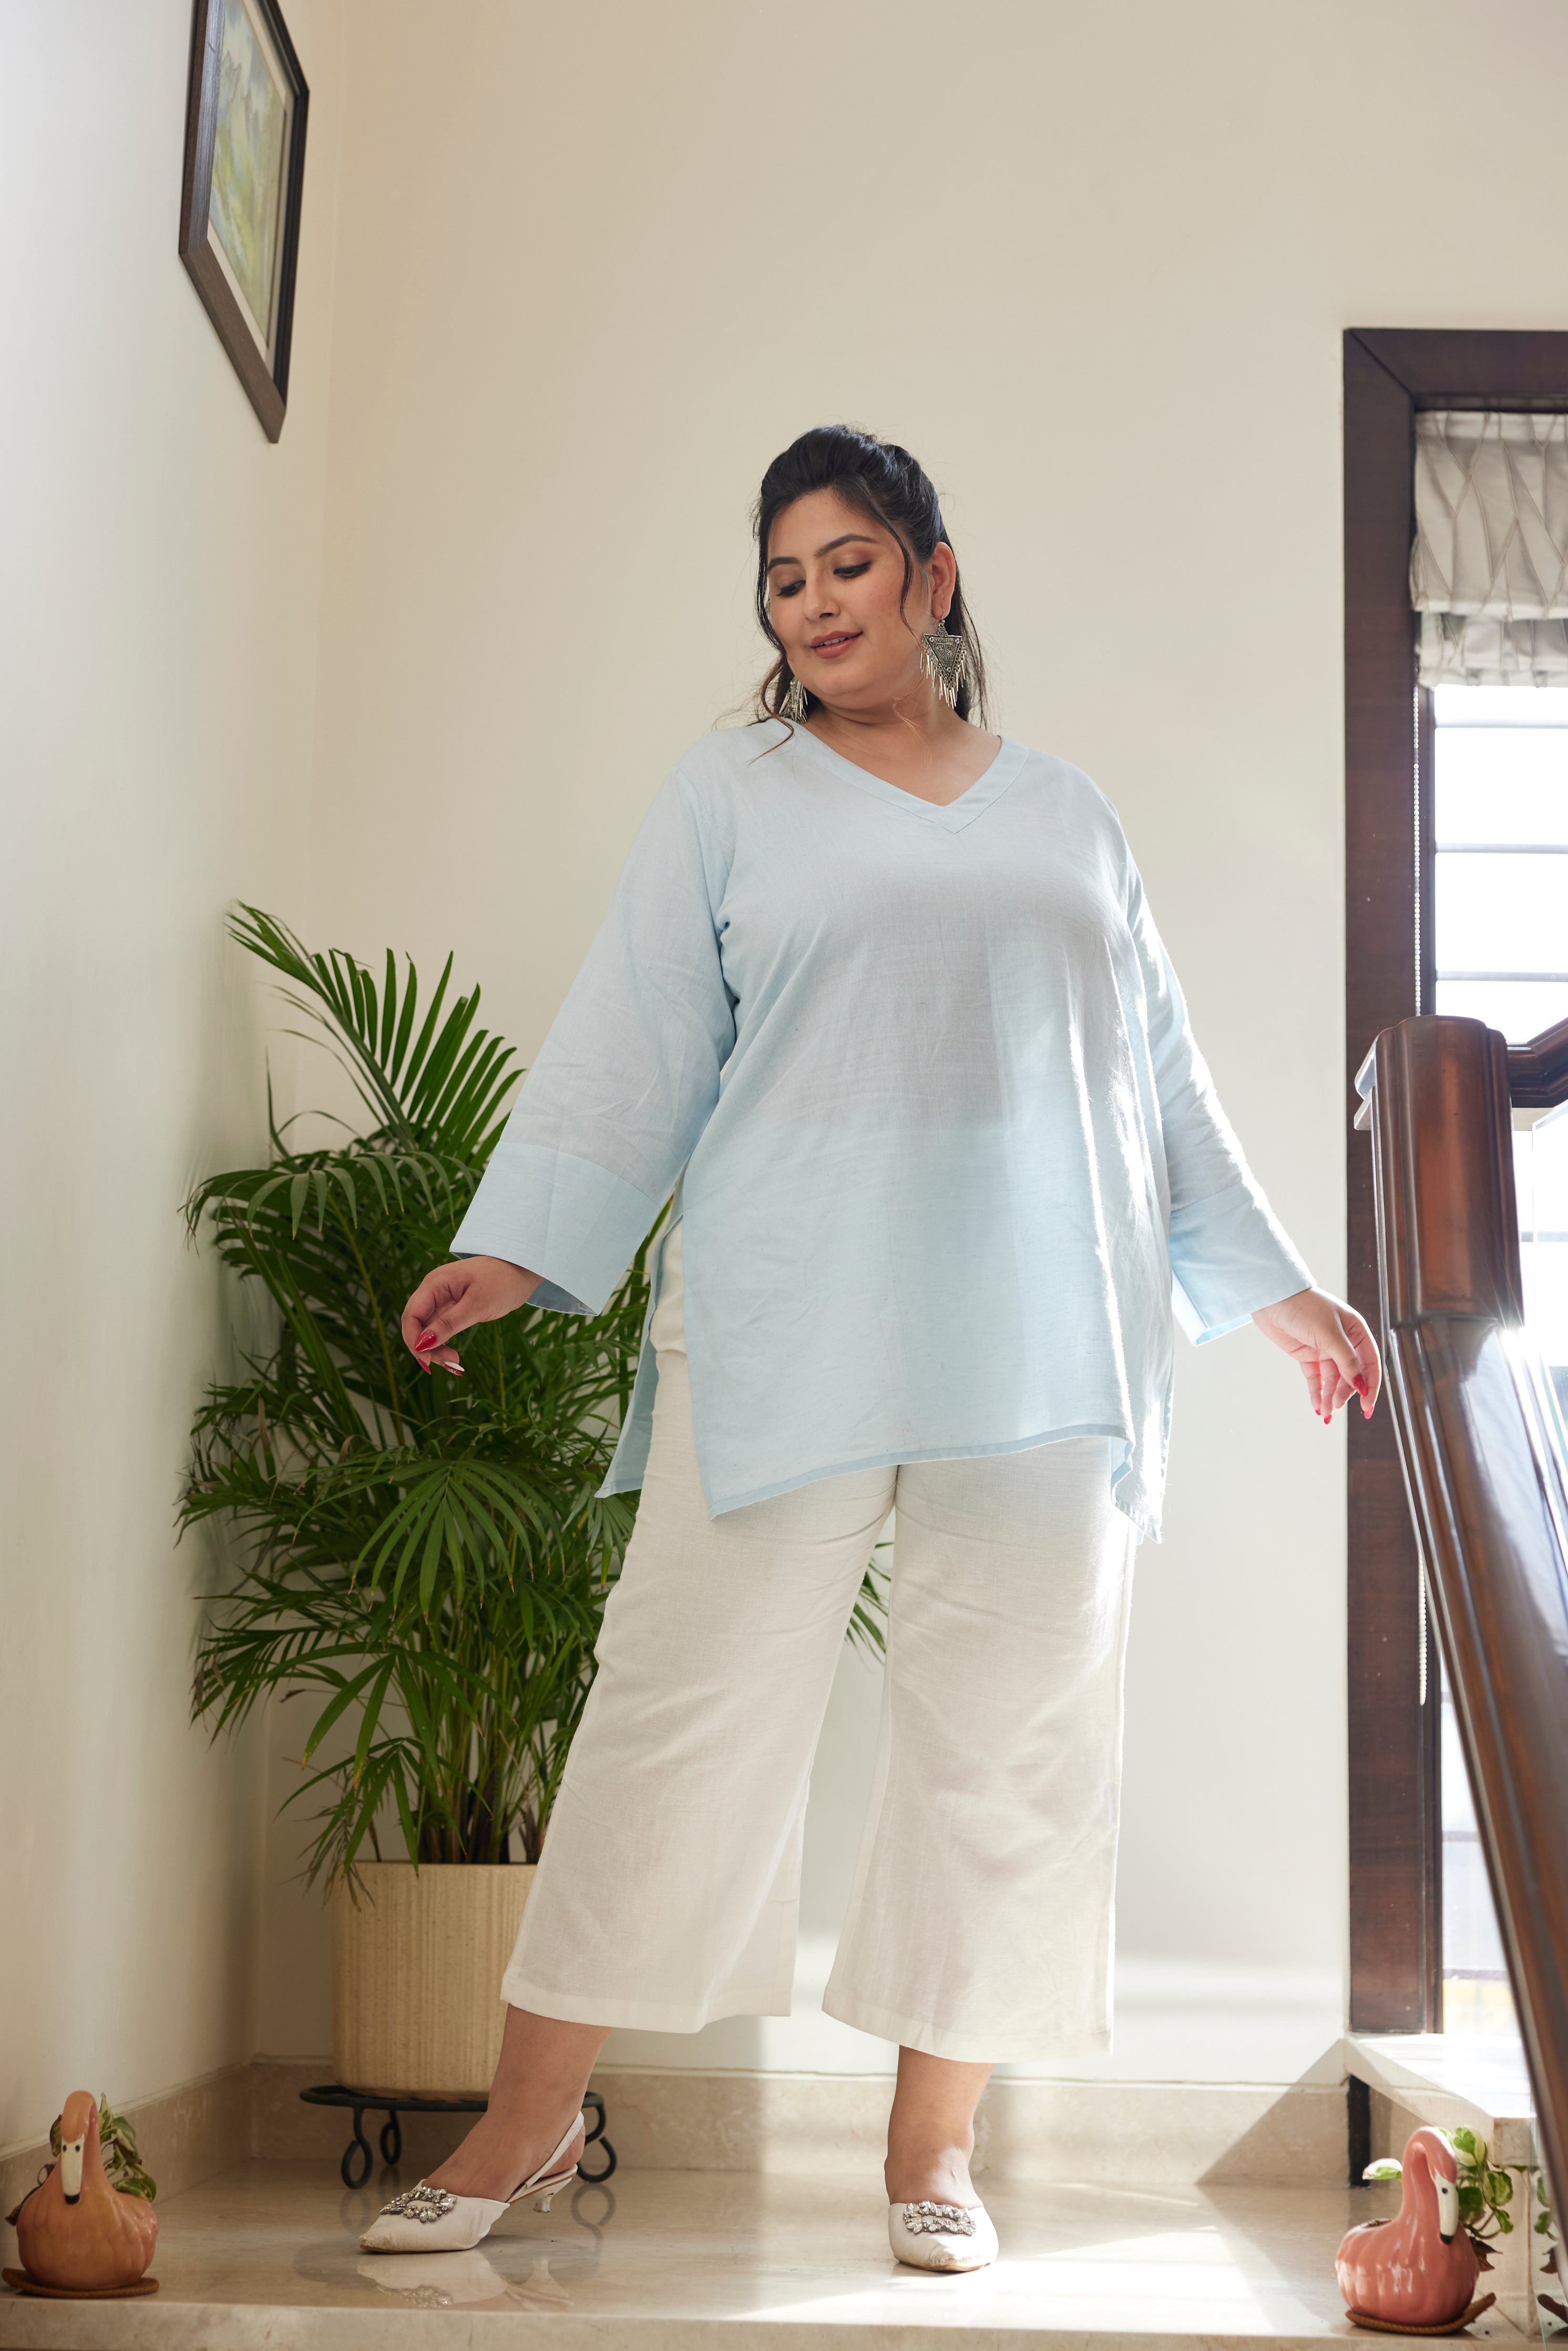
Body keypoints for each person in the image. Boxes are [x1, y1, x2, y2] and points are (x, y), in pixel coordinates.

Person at [361, 425, 1379, 2272]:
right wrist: (520, 1247)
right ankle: (524, 2120)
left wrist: (1272, 1285)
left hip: (1043, 1332)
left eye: (848, 562)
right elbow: (640, 1034)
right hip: (791, 1313)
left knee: (1009, 1742)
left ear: (933, 576)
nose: (815, 601)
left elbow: (1154, 1071)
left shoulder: (1067, 813)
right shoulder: (731, 794)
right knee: (675, 1715)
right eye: (784, 577)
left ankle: (934, 2151)